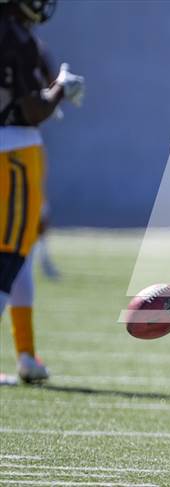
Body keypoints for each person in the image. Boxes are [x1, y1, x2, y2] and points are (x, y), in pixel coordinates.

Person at [0, 0, 84, 384]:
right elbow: (33, 108)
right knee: (10, 255)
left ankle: (26, 354)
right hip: (13, 151)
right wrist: (61, 89)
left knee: (20, 257)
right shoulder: (13, 35)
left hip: (11, 148)